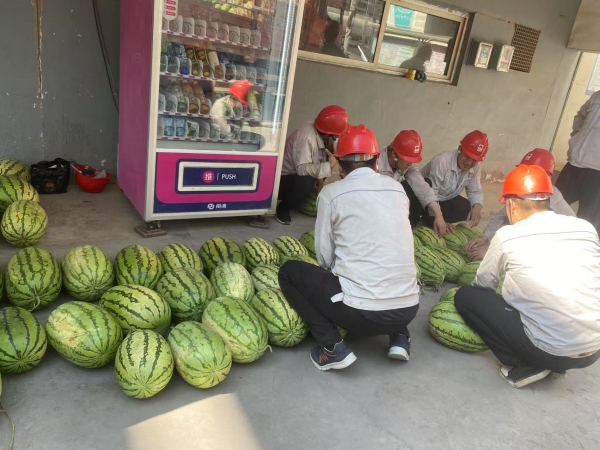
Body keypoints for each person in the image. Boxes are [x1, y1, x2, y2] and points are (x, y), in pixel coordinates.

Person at [278, 125, 420, 371]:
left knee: (289, 272)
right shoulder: (397, 189)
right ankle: (400, 337)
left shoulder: (331, 193)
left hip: (358, 315)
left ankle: (332, 347)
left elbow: (324, 257)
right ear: (377, 161)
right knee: (390, 266)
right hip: (409, 309)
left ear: (340, 166)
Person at [455, 164, 600, 389]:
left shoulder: (508, 235)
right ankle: (551, 359)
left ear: (511, 204)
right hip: (593, 349)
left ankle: (526, 362)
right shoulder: (585, 228)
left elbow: (483, 286)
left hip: (549, 351)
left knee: (466, 297)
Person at [465, 148, 575, 261]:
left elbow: (534, 246)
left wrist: (493, 255)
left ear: (548, 176)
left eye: (531, 172)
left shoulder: (551, 204)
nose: (525, 175)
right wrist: (485, 237)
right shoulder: (528, 190)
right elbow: (501, 216)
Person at [277, 105, 349, 225]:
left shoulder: (320, 135)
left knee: (317, 174)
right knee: (307, 181)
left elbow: (318, 162)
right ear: (328, 134)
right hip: (281, 180)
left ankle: (300, 198)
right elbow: (302, 170)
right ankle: (284, 207)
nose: (337, 138)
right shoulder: (307, 137)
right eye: (336, 136)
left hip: (295, 176)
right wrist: (329, 166)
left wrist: (320, 182)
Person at [379, 130, 449, 235]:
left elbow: (422, 187)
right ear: (394, 154)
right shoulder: (376, 164)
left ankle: (409, 227)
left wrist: (439, 215)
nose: (410, 164)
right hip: (378, 205)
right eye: (408, 161)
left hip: (393, 202)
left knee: (423, 183)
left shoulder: (407, 164)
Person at [419, 130, 488, 227]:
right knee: (435, 221)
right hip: (426, 199)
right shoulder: (442, 161)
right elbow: (431, 194)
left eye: (474, 160)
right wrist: (438, 217)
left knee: (466, 208)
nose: (469, 163)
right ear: (460, 148)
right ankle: (426, 219)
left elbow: (475, 191)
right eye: (467, 157)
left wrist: (477, 207)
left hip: (445, 198)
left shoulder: (475, 166)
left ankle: (437, 221)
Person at [555, 90, 600, 235]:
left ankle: (580, 245)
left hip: (597, 172)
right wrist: (577, 136)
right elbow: (581, 116)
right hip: (574, 164)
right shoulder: (597, 96)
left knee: (588, 220)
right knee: (553, 206)